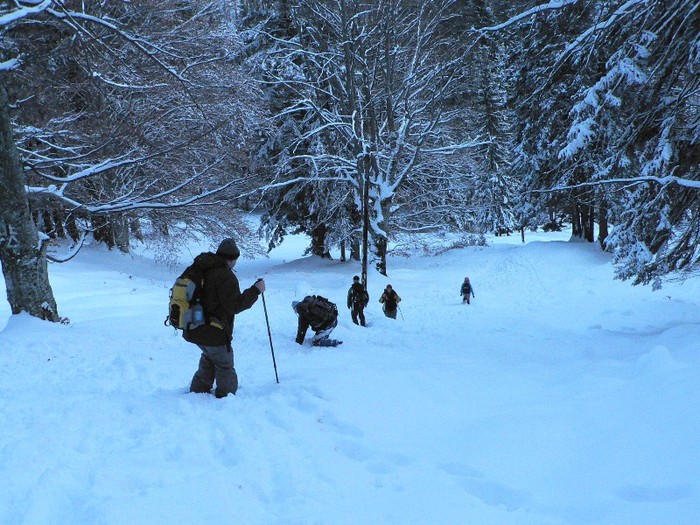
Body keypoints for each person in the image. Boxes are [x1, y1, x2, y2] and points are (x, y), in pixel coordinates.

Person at [185, 238, 265, 398]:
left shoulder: (201, 268)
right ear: (233, 259)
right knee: (224, 364)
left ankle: (198, 392)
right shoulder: (225, 276)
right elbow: (234, 306)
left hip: (194, 326)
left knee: (209, 357)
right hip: (214, 331)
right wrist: (255, 291)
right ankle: (226, 397)